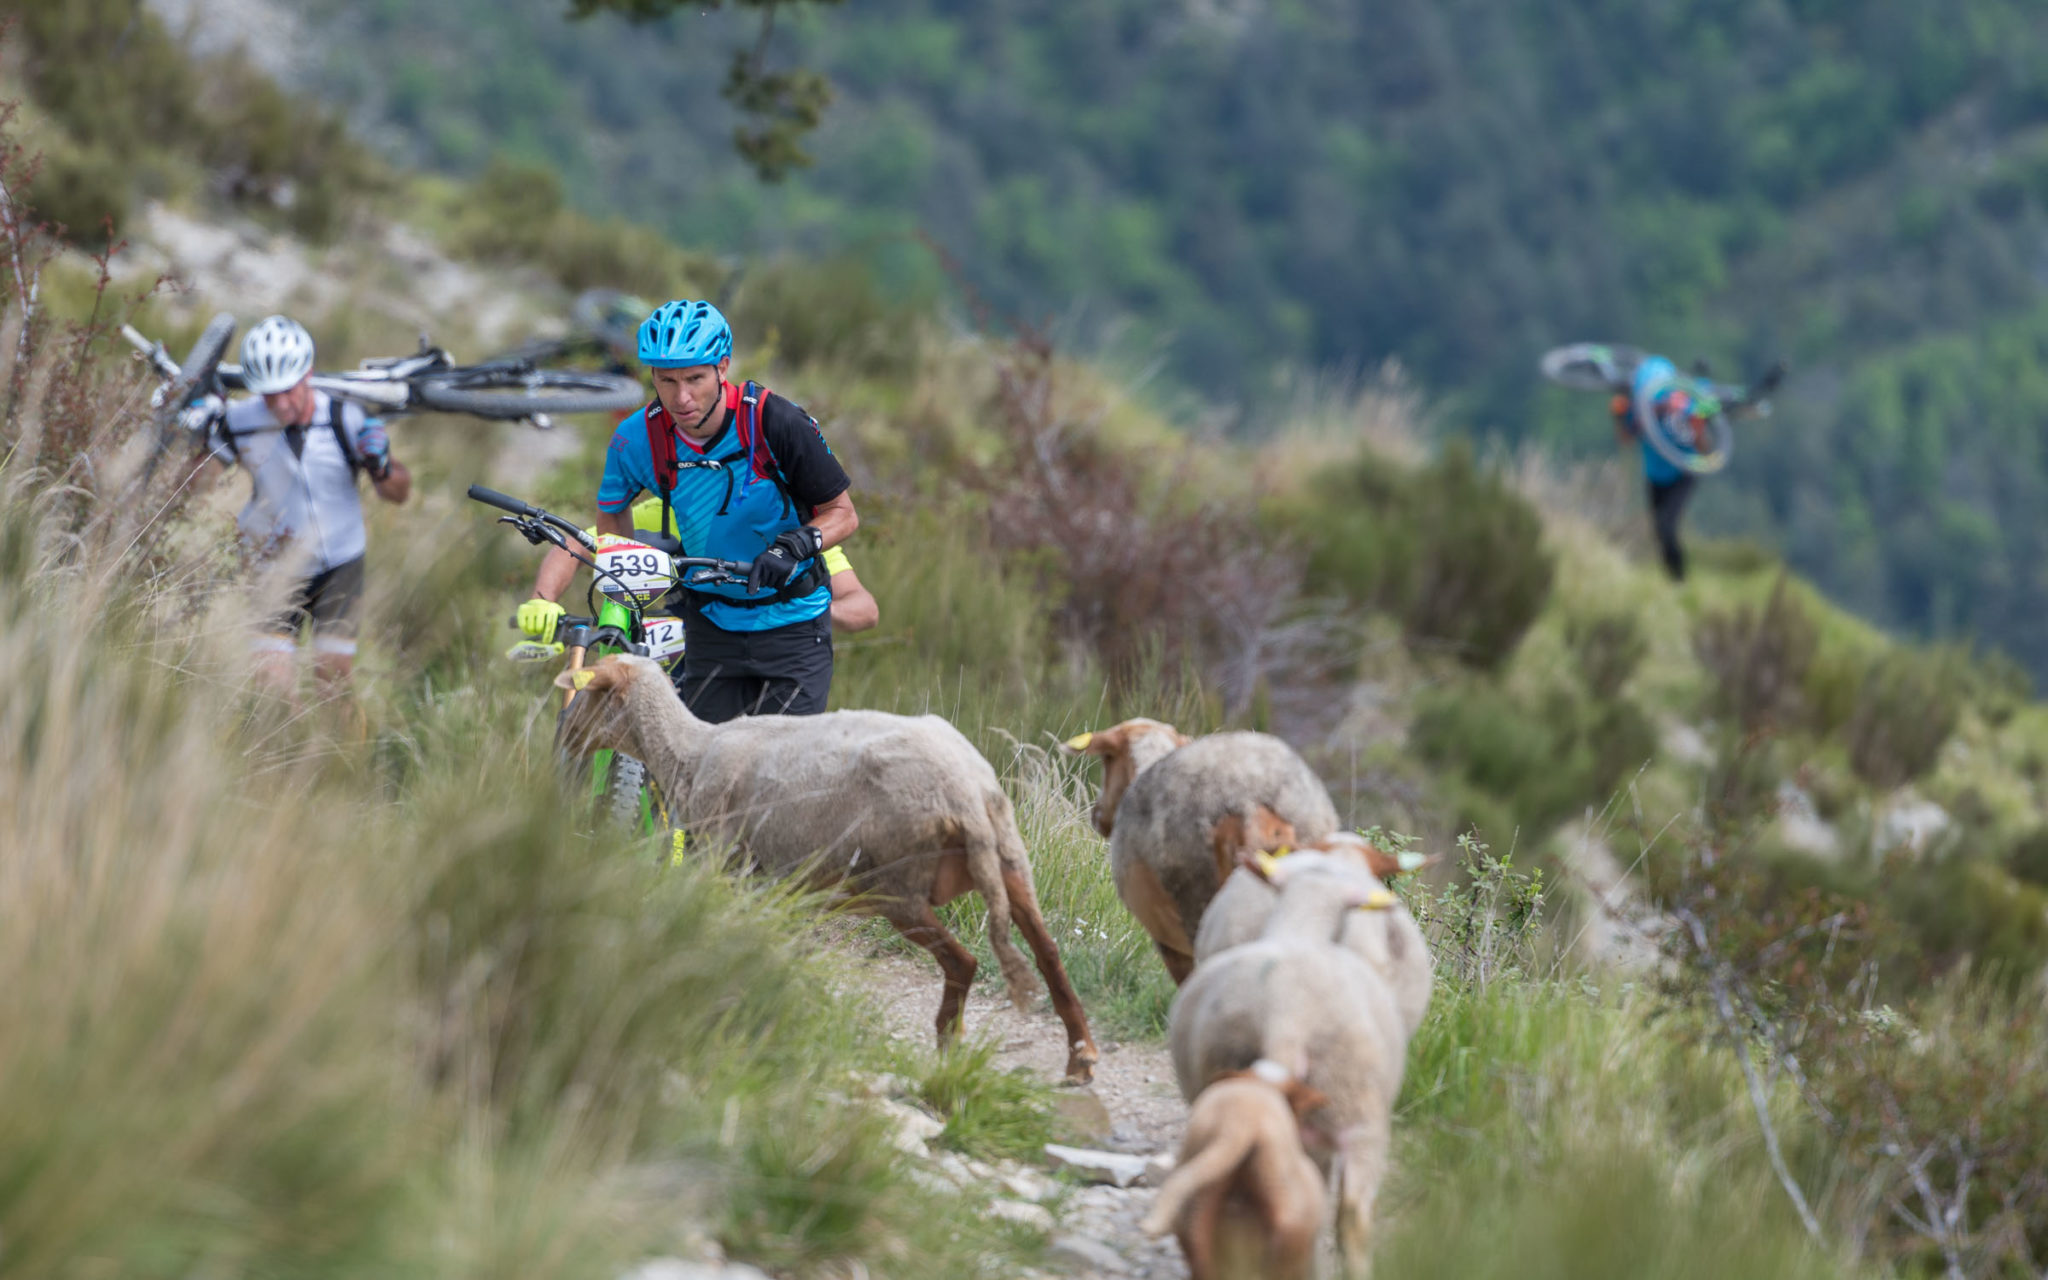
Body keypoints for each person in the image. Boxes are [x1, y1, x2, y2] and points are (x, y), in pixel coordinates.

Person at [516, 299, 858, 721]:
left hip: (793, 625)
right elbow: (609, 522)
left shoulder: (777, 423)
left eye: (695, 379)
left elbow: (843, 513)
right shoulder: (635, 438)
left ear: (723, 367)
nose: (682, 398)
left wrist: (793, 546)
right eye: (666, 380)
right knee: (695, 774)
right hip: (711, 625)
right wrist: (621, 591)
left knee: (781, 774)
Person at [197, 315, 411, 693]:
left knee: (332, 680)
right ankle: (287, 751)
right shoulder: (239, 421)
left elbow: (399, 492)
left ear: (308, 372)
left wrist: (380, 465)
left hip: (340, 563)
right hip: (271, 563)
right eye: (267, 393)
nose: (279, 403)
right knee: (271, 686)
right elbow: (195, 484)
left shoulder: (344, 417)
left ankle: (344, 752)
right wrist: (194, 430)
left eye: (288, 390)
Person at [517, 493, 878, 635]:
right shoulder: (671, 512)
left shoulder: (793, 526)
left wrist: (798, 608)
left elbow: (864, 608)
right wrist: (542, 598)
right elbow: (578, 542)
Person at [1611, 354, 1709, 582]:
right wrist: (1618, 416)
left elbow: (1705, 450)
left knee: (1667, 527)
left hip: (1682, 473)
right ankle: (1672, 581)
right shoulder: (1637, 412)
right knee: (1659, 533)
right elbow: (1626, 439)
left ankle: (1679, 581)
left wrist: (1697, 426)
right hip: (1654, 476)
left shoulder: (1685, 405)